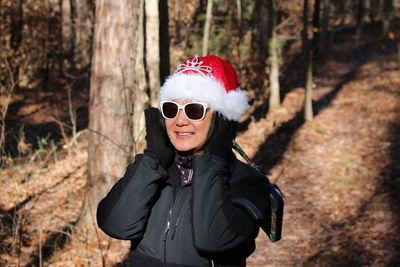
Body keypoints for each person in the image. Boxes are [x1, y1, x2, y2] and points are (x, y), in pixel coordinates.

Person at [97, 55, 271, 267]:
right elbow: (116, 225)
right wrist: (153, 158)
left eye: (194, 110)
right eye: (171, 109)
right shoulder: (155, 172)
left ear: (221, 117)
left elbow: (214, 240)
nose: (180, 121)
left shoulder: (247, 182)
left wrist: (212, 158)